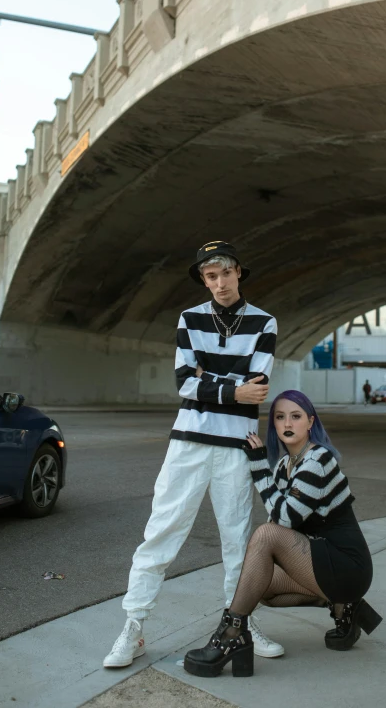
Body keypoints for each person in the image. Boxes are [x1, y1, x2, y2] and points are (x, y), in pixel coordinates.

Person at [104, 241, 283, 667]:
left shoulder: (264, 322)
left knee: (238, 538)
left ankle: (240, 624)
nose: (219, 283)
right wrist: (230, 387)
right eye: (210, 276)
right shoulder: (190, 319)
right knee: (162, 531)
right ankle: (133, 626)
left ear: (239, 271)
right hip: (188, 440)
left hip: (237, 445)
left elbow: (256, 387)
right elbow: (184, 383)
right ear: (204, 279)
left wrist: (214, 380)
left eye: (225, 273)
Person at [184, 390, 382, 678]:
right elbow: (277, 525)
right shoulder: (283, 467)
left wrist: (258, 467)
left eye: (296, 416)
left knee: (265, 535)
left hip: (348, 565)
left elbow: (283, 520)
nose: (287, 422)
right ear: (274, 425)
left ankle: (230, 634)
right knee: (261, 586)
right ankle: (342, 606)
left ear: (310, 422)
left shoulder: (319, 459)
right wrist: (266, 472)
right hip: (320, 562)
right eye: (280, 417)